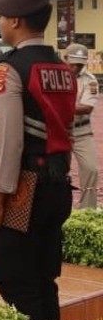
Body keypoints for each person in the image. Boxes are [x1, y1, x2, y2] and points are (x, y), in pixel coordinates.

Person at [0, 0, 74, 320]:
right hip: (58, 184)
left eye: (0, 17)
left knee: (14, 280)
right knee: (44, 281)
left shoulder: (9, 69)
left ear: (15, 21)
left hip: (24, 190)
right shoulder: (60, 67)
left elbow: (8, 140)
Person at [65, 43, 98, 209]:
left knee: (91, 169)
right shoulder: (55, 76)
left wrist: (57, 104)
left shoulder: (90, 80)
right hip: (60, 130)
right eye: (73, 63)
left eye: (80, 64)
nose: (76, 67)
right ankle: (57, 208)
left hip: (82, 131)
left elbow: (87, 107)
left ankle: (87, 209)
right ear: (65, 59)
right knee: (55, 170)